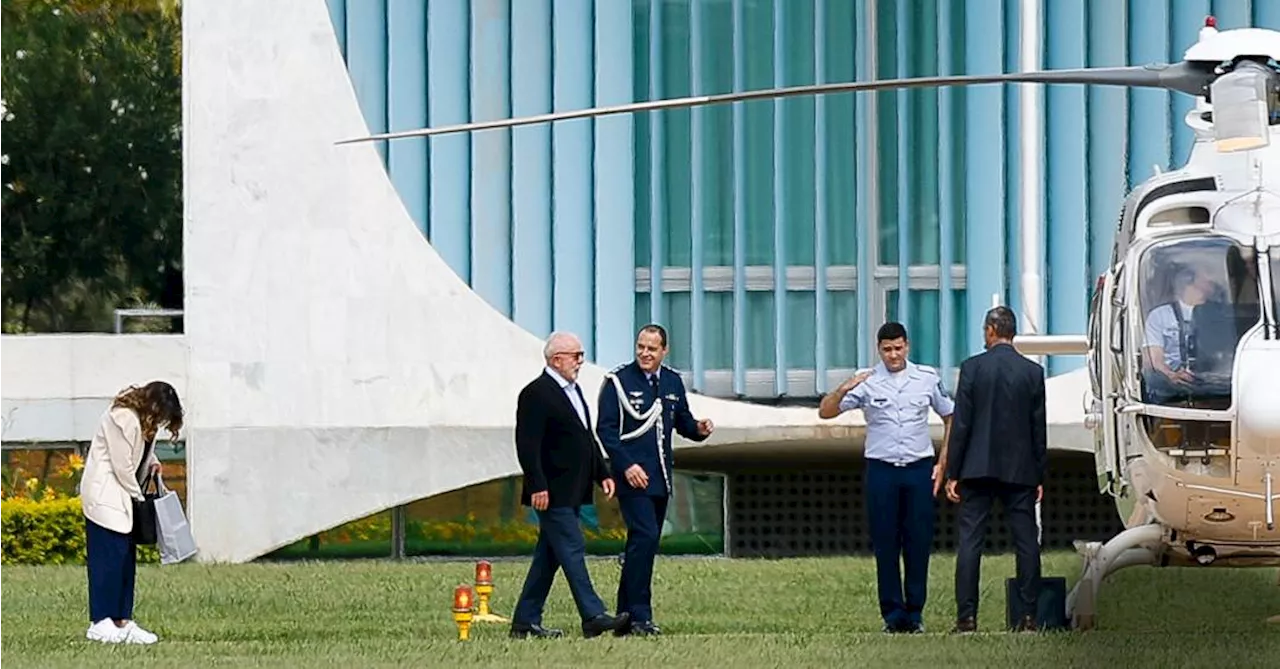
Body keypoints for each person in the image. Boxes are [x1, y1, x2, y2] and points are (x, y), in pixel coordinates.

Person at [817, 321, 953, 634]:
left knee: (918, 542)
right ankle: (893, 616)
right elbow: (825, 412)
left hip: (918, 468)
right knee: (886, 543)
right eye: (887, 349)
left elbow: (950, 417)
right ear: (879, 350)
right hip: (882, 469)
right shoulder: (867, 380)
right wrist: (842, 388)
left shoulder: (926, 378)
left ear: (907, 346)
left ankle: (915, 613)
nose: (893, 355)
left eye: (898, 348)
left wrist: (942, 465)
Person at [510, 332, 630, 639]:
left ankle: (525, 621)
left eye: (581, 355)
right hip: (551, 490)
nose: (580, 361)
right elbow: (528, 445)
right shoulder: (536, 393)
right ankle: (592, 614)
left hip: (573, 488)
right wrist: (537, 485)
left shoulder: (573, 391)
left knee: (548, 558)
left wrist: (601, 473)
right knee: (573, 547)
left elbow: (585, 437)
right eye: (576, 356)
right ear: (556, 359)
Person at [596, 323, 713, 636]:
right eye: (640, 347)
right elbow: (606, 430)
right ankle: (639, 617)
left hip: (660, 478)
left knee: (642, 545)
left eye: (651, 348)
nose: (644, 353)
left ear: (664, 351)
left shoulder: (672, 381)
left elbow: (682, 422)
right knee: (644, 537)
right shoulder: (618, 381)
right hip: (633, 478)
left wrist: (699, 429)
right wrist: (626, 466)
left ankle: (625, 616)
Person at [944, 306, 1046, 634]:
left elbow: (962, 425)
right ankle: (1028, 616)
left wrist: (953, 471)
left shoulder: (972, 368)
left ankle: (967, 617)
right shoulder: (1032, 372)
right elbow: (1037, 430)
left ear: (990, 329)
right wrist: (1039, 475)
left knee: (971, 541)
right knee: (1027, 542)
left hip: (977, 467)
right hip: (1020, 469)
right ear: (1011, 331)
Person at [79, 381, 184, 644]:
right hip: (106, 497)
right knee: (107, 561)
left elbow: (140, 454)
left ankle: (122, 620)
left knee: (125, 561)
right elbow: (122, 465)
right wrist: (139, 498)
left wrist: (154, 463)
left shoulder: (143, 421)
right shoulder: (122, 418)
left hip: (122, 499)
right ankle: (100, 621)